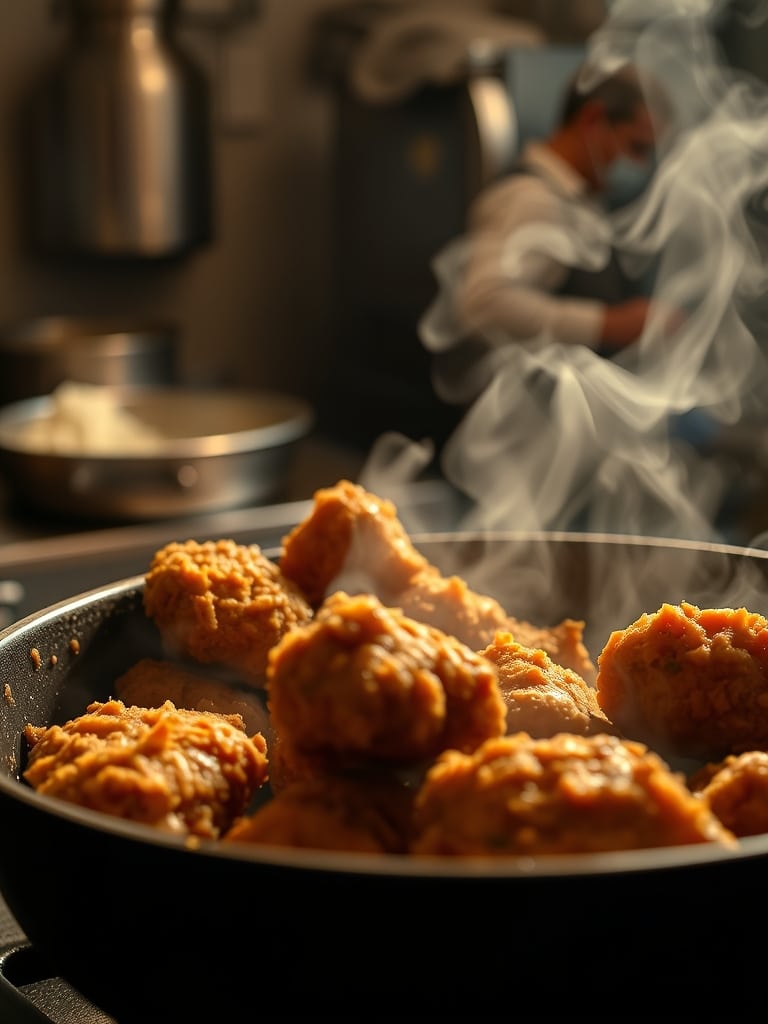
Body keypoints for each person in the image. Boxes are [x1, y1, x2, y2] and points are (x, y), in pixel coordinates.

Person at [420, 63, 669, 358]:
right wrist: (609, 324)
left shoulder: (580, 199)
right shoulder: (534, 198)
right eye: (637, 147)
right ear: (593, 121)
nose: (640, 166)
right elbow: (483, 305)